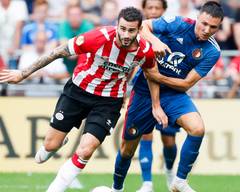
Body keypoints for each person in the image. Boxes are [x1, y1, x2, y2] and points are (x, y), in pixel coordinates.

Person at [0, 7, 168, 192]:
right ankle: (57, 143)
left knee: (86, 150)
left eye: (131, 30)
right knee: (50, 145)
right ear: (117, 25)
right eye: (122, 28)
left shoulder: (145, 51)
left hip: (109, 101)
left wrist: (156, 105)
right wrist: (23, 74)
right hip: (78, 91)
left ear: (139, 30)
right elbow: (58, 51)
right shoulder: (98, 37)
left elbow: (152, 74)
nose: (126, 34)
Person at [112, 1, 223, 192]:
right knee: (127, 149)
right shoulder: (178, 23)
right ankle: (117, 188)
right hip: (144, 91)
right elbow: (144, 25)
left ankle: (179, 180)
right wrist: (155, 41)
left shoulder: (213, 51)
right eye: (204, 23)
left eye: (213, 27)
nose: (206, 30)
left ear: (218, 27)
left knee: (197, 129)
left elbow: (187, 83)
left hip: (173, 94)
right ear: (198, 17)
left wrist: (158, 76)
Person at [136, 1, 176, 192]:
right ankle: (147, 183)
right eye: (149, 8)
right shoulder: (136, 32)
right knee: (145, 134)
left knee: (169, 139)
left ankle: (169, 173)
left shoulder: (171, 30)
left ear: (164, 11)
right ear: (144, 10)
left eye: (156, 8)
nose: (153, 11)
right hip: (144, 88)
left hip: (168, 90)